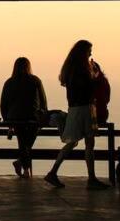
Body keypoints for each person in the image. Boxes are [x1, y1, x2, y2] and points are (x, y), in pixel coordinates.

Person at [44, 40, 108, 190]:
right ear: (83, 52)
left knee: (74, 142)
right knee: (88, 143)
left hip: (76, 108)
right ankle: (90, 179)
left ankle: (54, 172)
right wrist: (96, 74)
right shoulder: (81, 69)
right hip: (84, 108)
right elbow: (87, 87)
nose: (91, 53)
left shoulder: (72, 68)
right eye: (89, 51)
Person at [0, 57, 48, 179]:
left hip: (14, 118)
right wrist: (44, 115)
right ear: (28, 66)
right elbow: (43, 101)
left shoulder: (9, 82)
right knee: (26, 142)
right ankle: (23, 167)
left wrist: (6, 120)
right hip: (32, 117)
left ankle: (22, 165)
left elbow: (3, 104)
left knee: (22, 141)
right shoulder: (35, 80)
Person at [91, 60, 111, 129]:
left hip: (92, 116)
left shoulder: (90, 82)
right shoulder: (104, 81)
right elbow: (107, 99)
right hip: (103, 115)